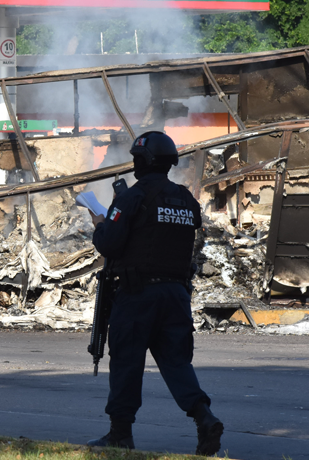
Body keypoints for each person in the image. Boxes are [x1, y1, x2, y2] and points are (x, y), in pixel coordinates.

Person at [87, 131, 223, 456]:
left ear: (144, 161)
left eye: (137, 158)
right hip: (176, 295)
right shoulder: (186, 200)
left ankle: (120, 434)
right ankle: (204, 417)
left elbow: (109, 244)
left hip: (138, 295)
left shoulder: (132, 198)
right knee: (177, 363)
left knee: (126, 363)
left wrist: (100, 224)